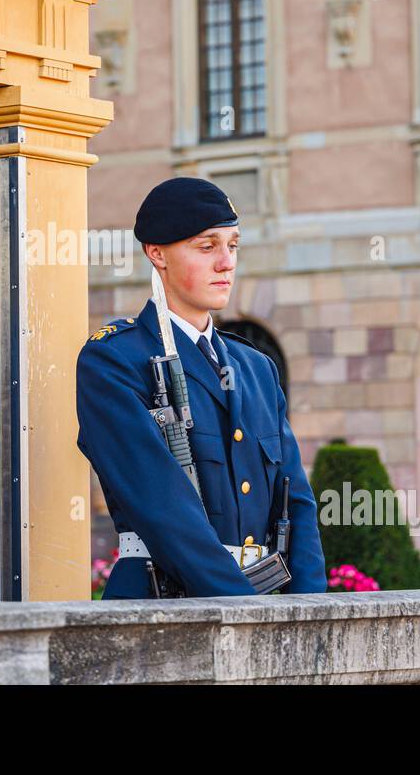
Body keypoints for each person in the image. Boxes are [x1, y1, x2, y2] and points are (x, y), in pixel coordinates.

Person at [76, 176, 326, 599]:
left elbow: (297, 501)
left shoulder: (255, 367)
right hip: (164, 604)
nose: (226, 262)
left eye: (233, 245)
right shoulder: (115, 362)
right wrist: (245, 612)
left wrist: (308, 612)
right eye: (207, 246)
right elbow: (163, 508)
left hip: (264, 604)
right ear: (157, 254)